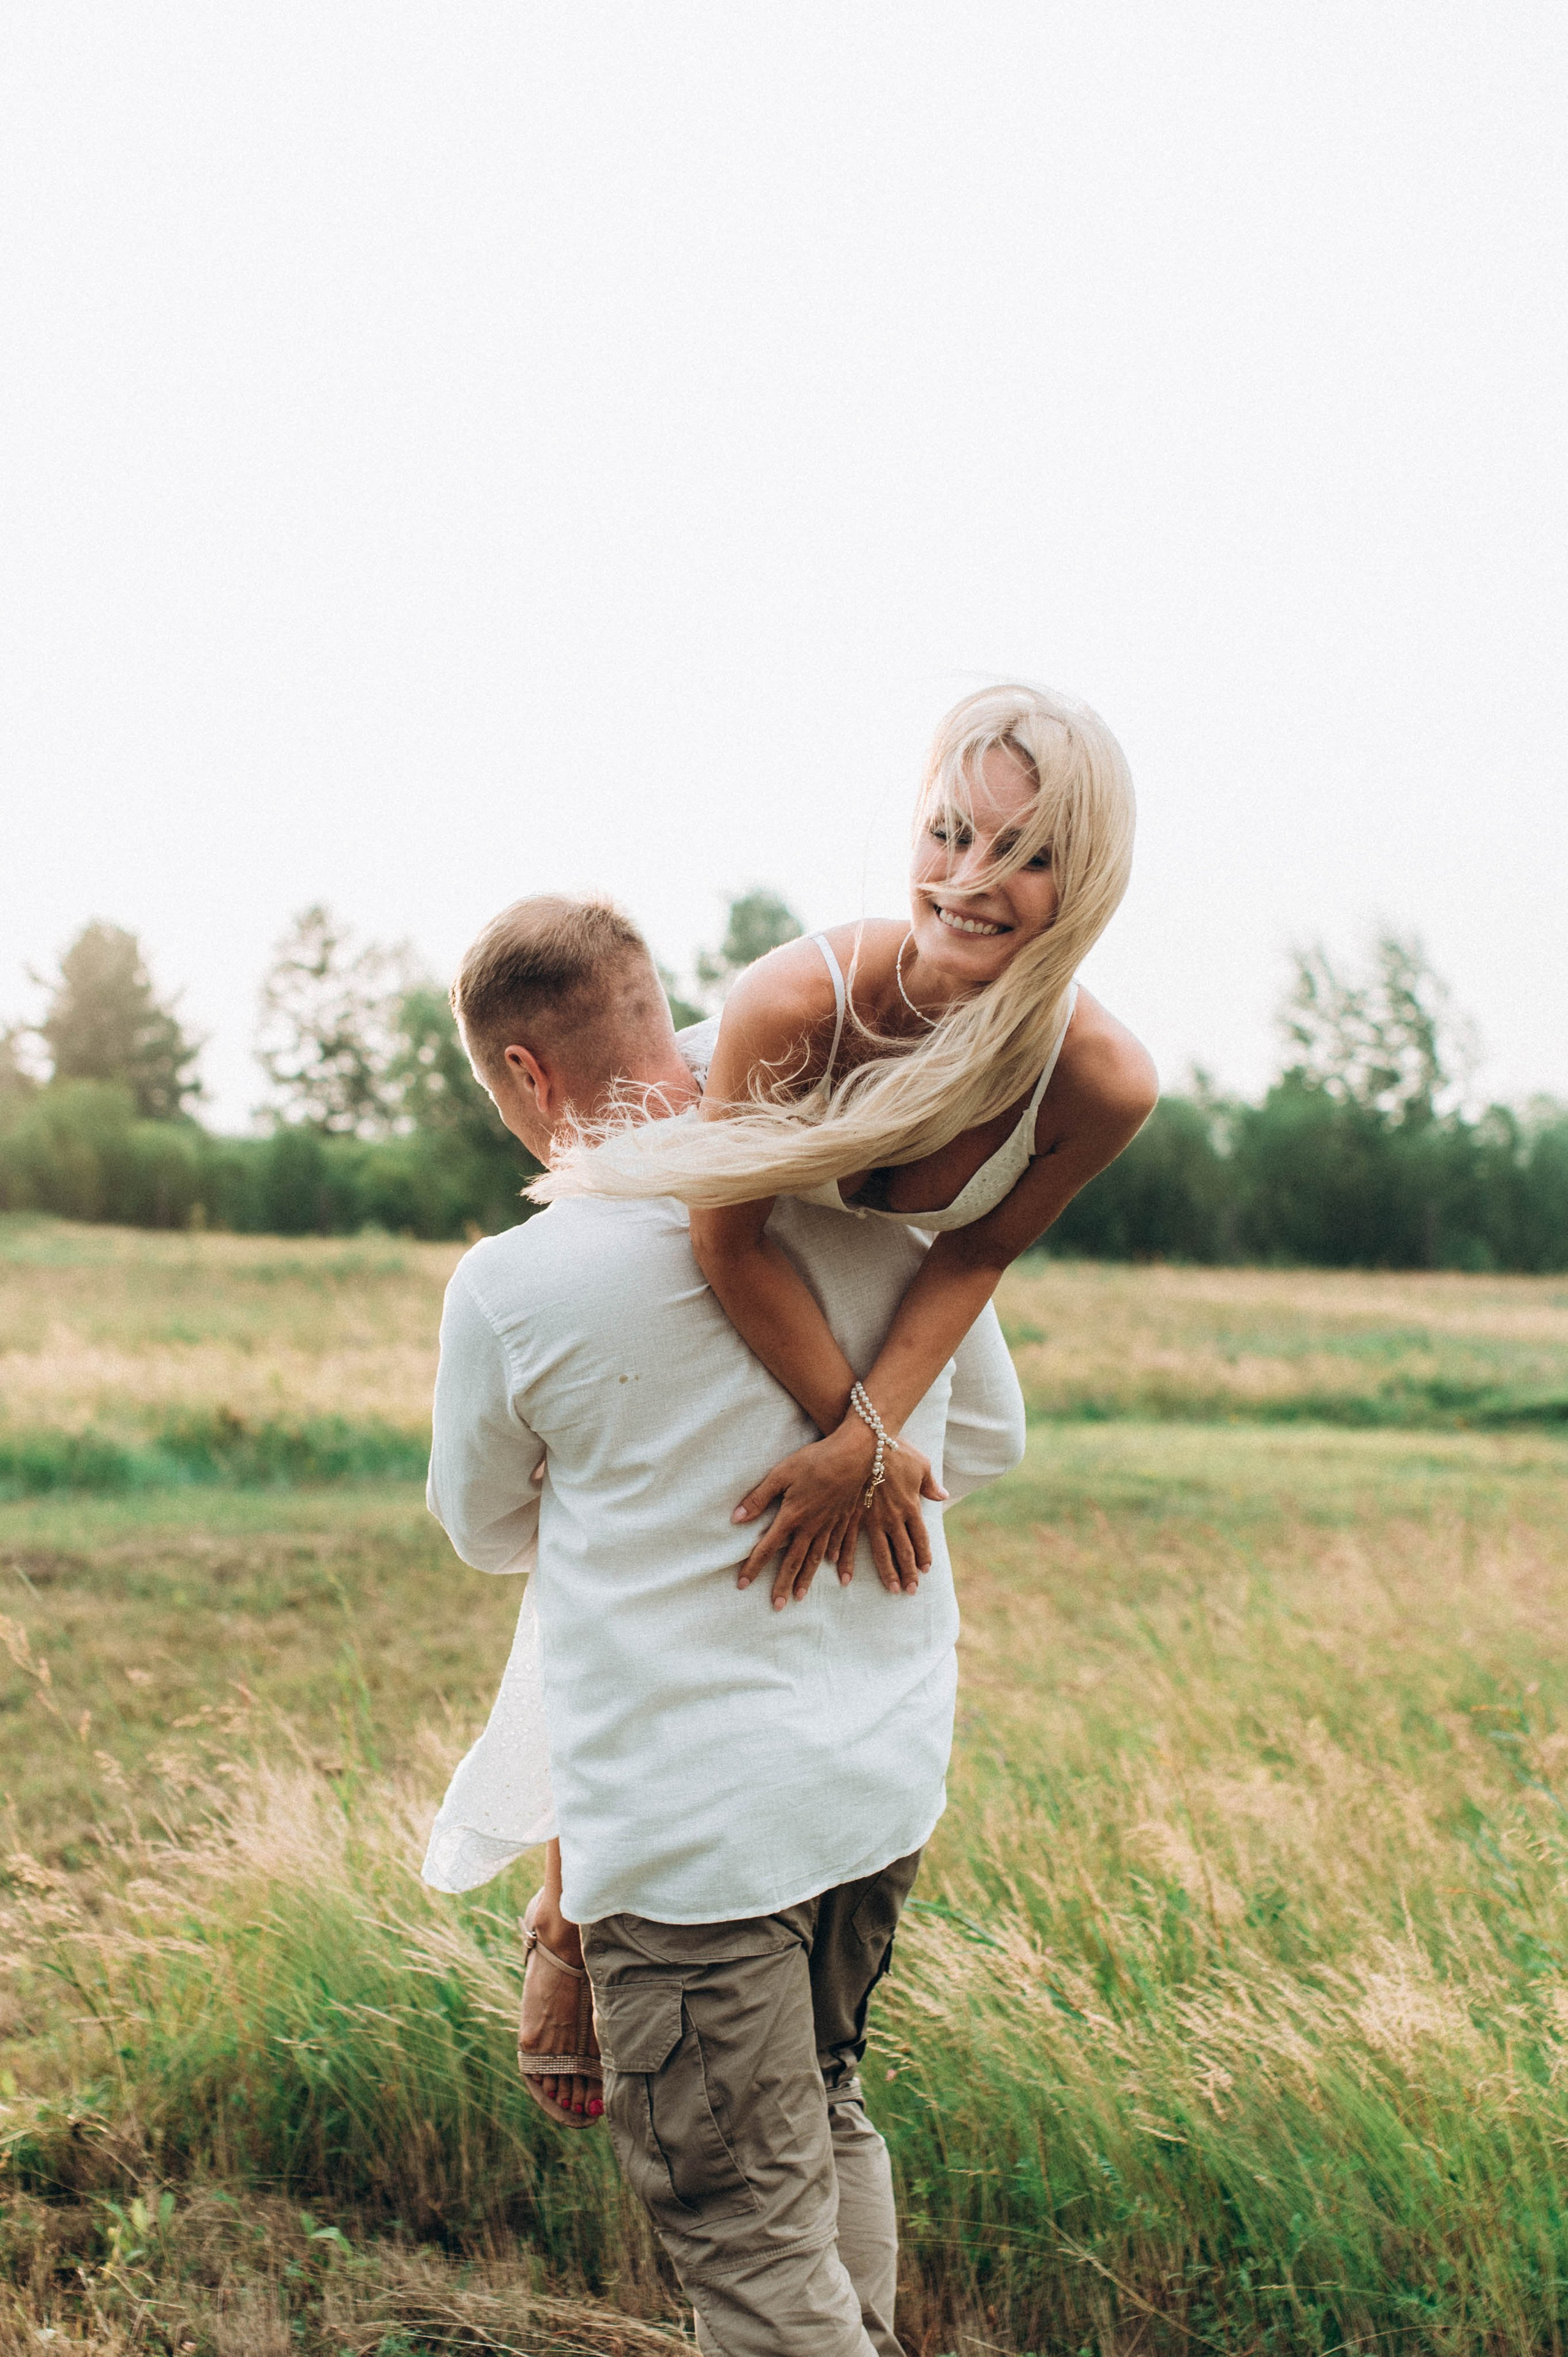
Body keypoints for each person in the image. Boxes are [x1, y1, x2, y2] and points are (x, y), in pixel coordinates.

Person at [424, 892, 1028, 2357]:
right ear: (654, 1000)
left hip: (695, 1842)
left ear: (523, 1071)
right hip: (874, 1780)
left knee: (751, 2252)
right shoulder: (859, 1185)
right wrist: (858, 1433)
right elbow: (986, 1438)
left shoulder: (514, 1287)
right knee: (821, 2107)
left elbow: (485, 1528)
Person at [536, 683, 1157, 1605]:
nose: (967, 880)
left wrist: (864, 1443)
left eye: (1027, 855)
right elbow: (725, 1239)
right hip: (695, 1182)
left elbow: (976, 1252)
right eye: (949, 833)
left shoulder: (1102, 1084)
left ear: (1090, 880)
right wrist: (867, 1443)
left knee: (994, 1437)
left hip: (875, 1268)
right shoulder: (792, 1004)